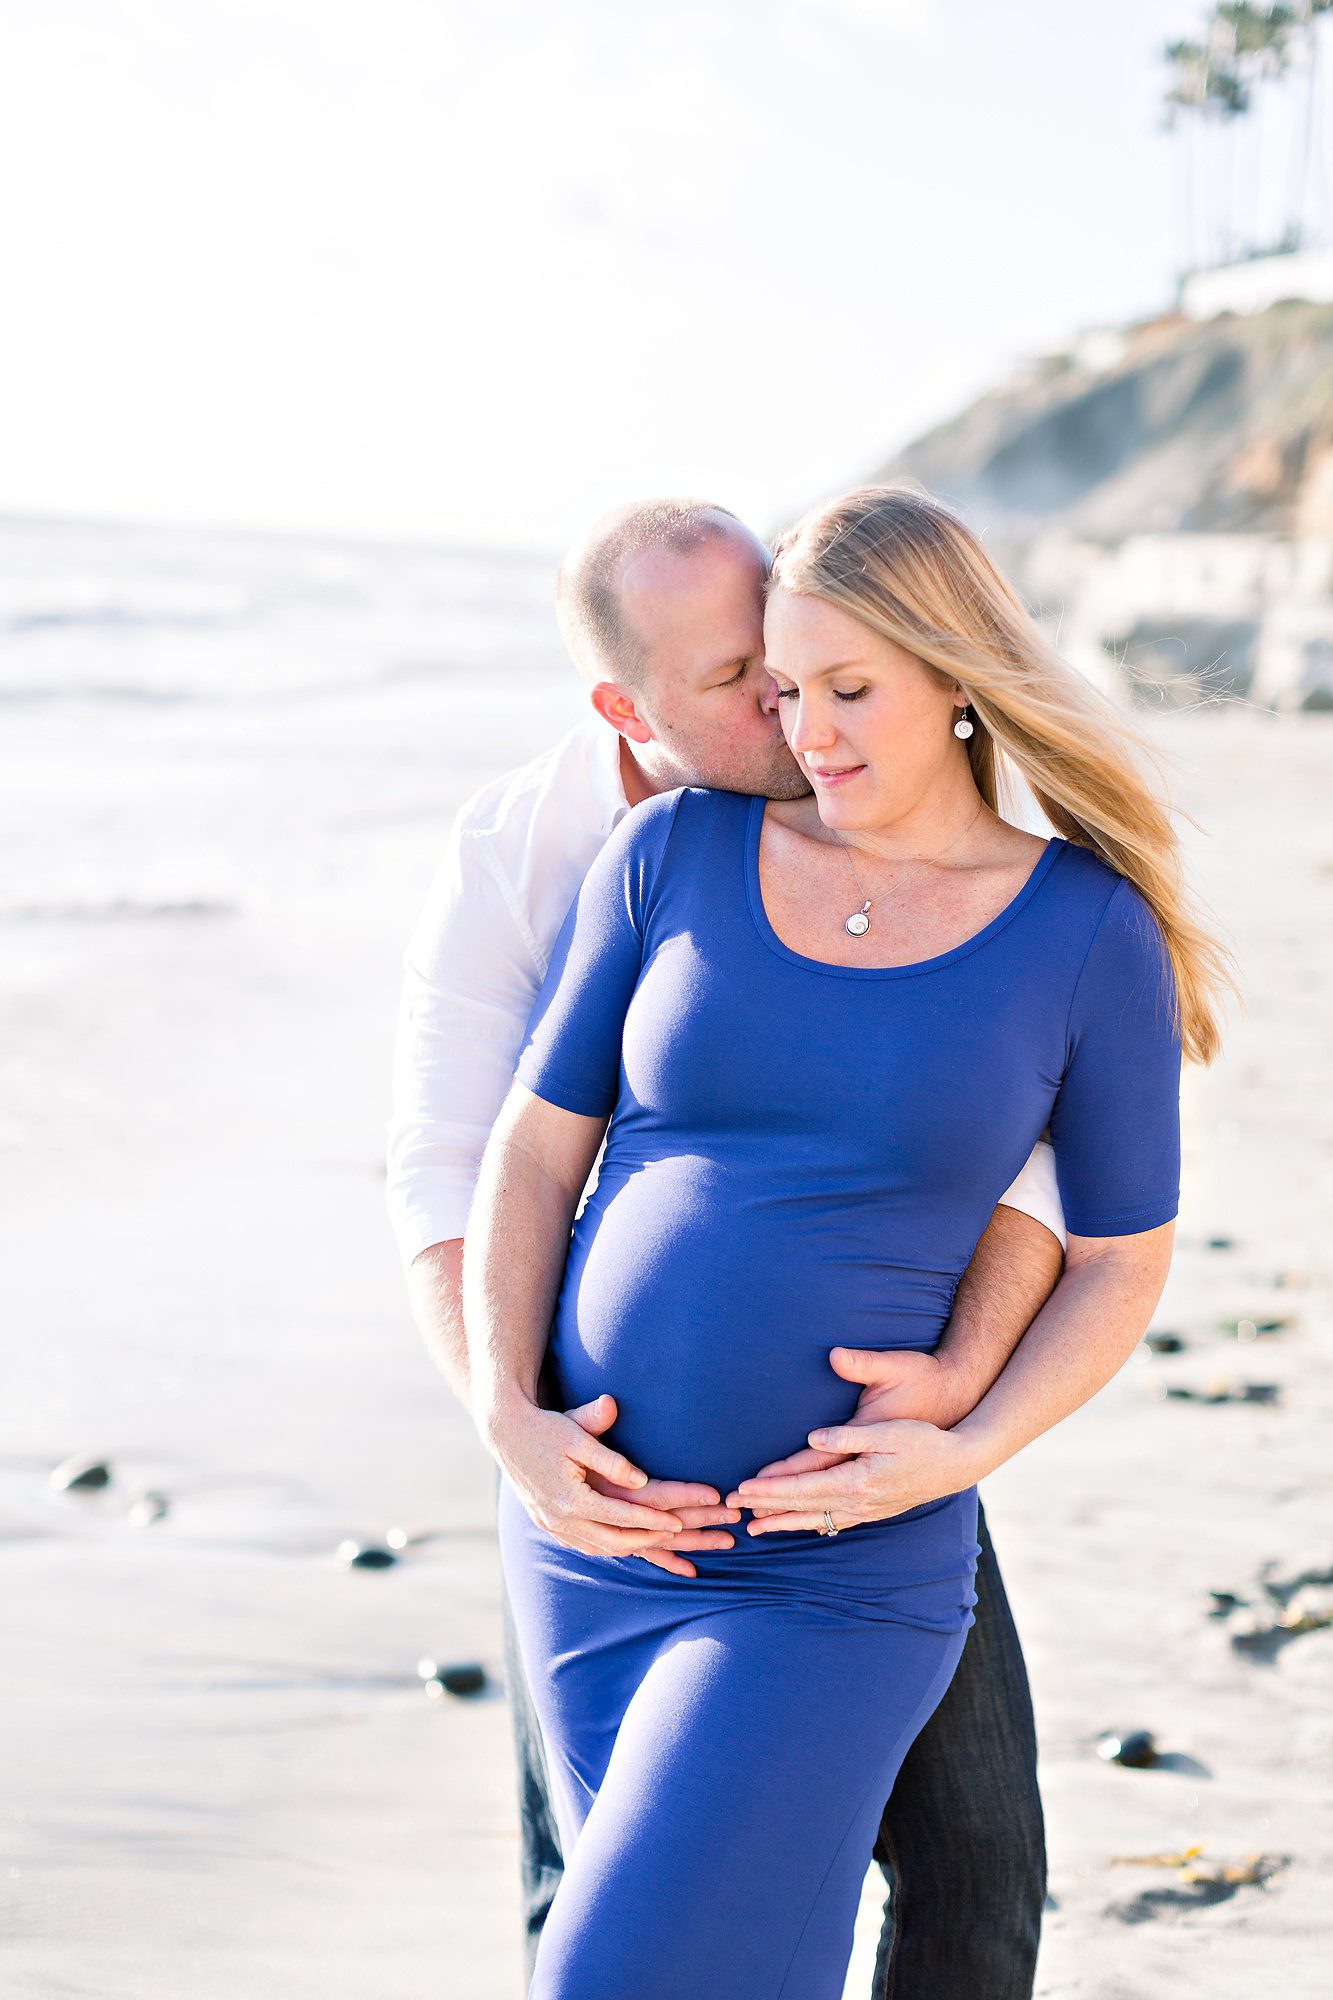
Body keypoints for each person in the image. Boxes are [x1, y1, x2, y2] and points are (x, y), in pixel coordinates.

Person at [461, 485, 1233, 2000]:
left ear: (955, 678)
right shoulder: (669, 854)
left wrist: (967, 1444)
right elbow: (531, 1150)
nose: (807, 730)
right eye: (784, 690)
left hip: (830, 1566)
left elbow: (1114, 1257)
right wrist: (504, 1415)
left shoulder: (1085, 932)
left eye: (850, 689)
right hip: (596, 1541)